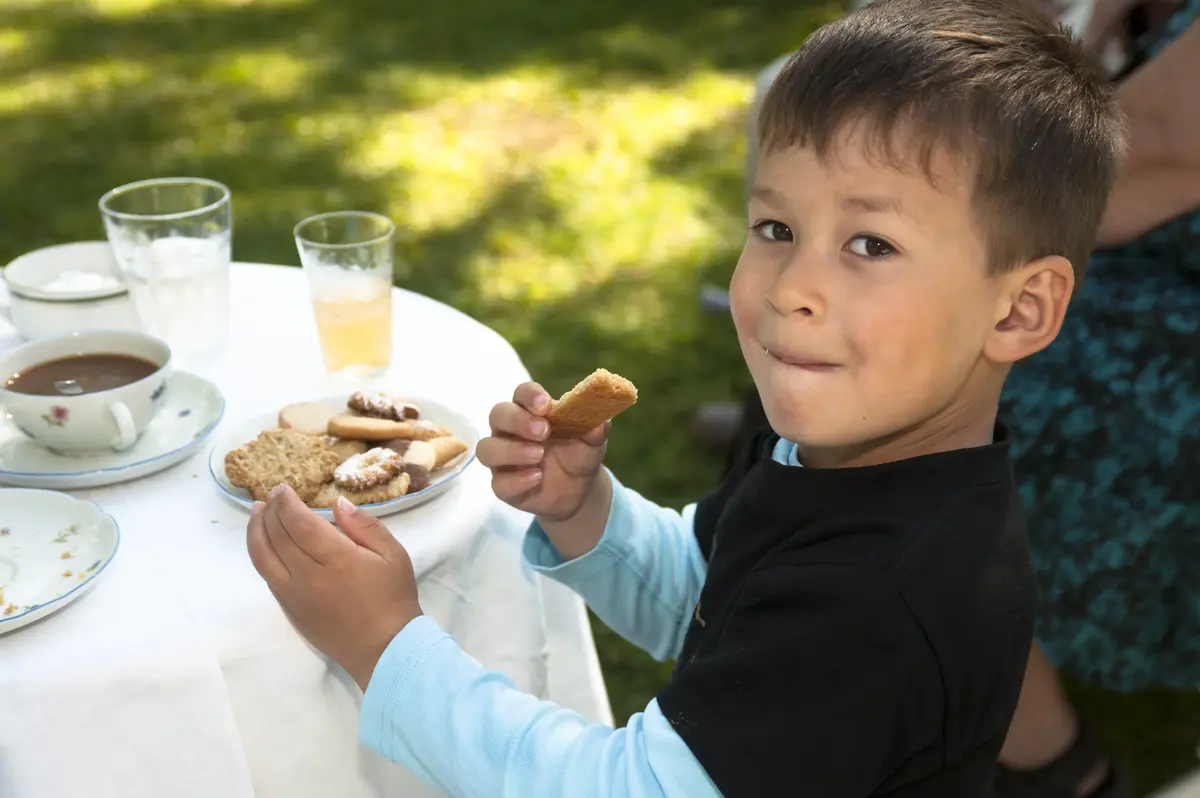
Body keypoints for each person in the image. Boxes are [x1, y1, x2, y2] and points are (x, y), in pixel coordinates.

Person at [242, 1, 1126, 795]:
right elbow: (709, 598)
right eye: (776, 228)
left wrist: (385, 646)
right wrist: (588, 511)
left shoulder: (880, 603)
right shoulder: (826, 455)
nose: (792, 288)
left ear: (1017, 309)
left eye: (871, 244)